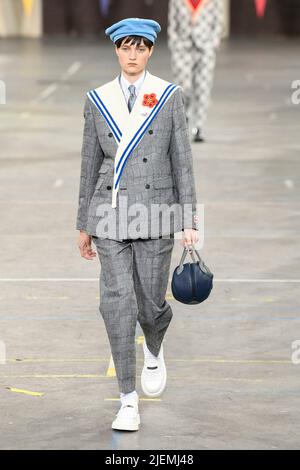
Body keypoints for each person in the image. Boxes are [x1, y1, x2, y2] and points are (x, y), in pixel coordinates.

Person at [76, 17, 199, 431]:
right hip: (110, 215)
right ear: (116, 50)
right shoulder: (98, 99)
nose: (132, 55)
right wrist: (83, 222)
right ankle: (127, 398)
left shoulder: (168, 96)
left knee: (150, 303)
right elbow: (89, 164)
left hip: (155, 213)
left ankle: (155, 343)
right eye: (125, 48)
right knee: (116, 303)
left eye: (139, 48)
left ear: (150, 51)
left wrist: (188, 218)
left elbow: (181, 159)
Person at [168, 0, 224, 142]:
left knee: (203, 88)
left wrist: (214, 42)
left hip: (205, 48)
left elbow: (218, 21)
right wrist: (174, 42)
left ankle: (199, 127)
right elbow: (172, 22)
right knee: (183, 87)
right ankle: (184, 116)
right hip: (182, 48)